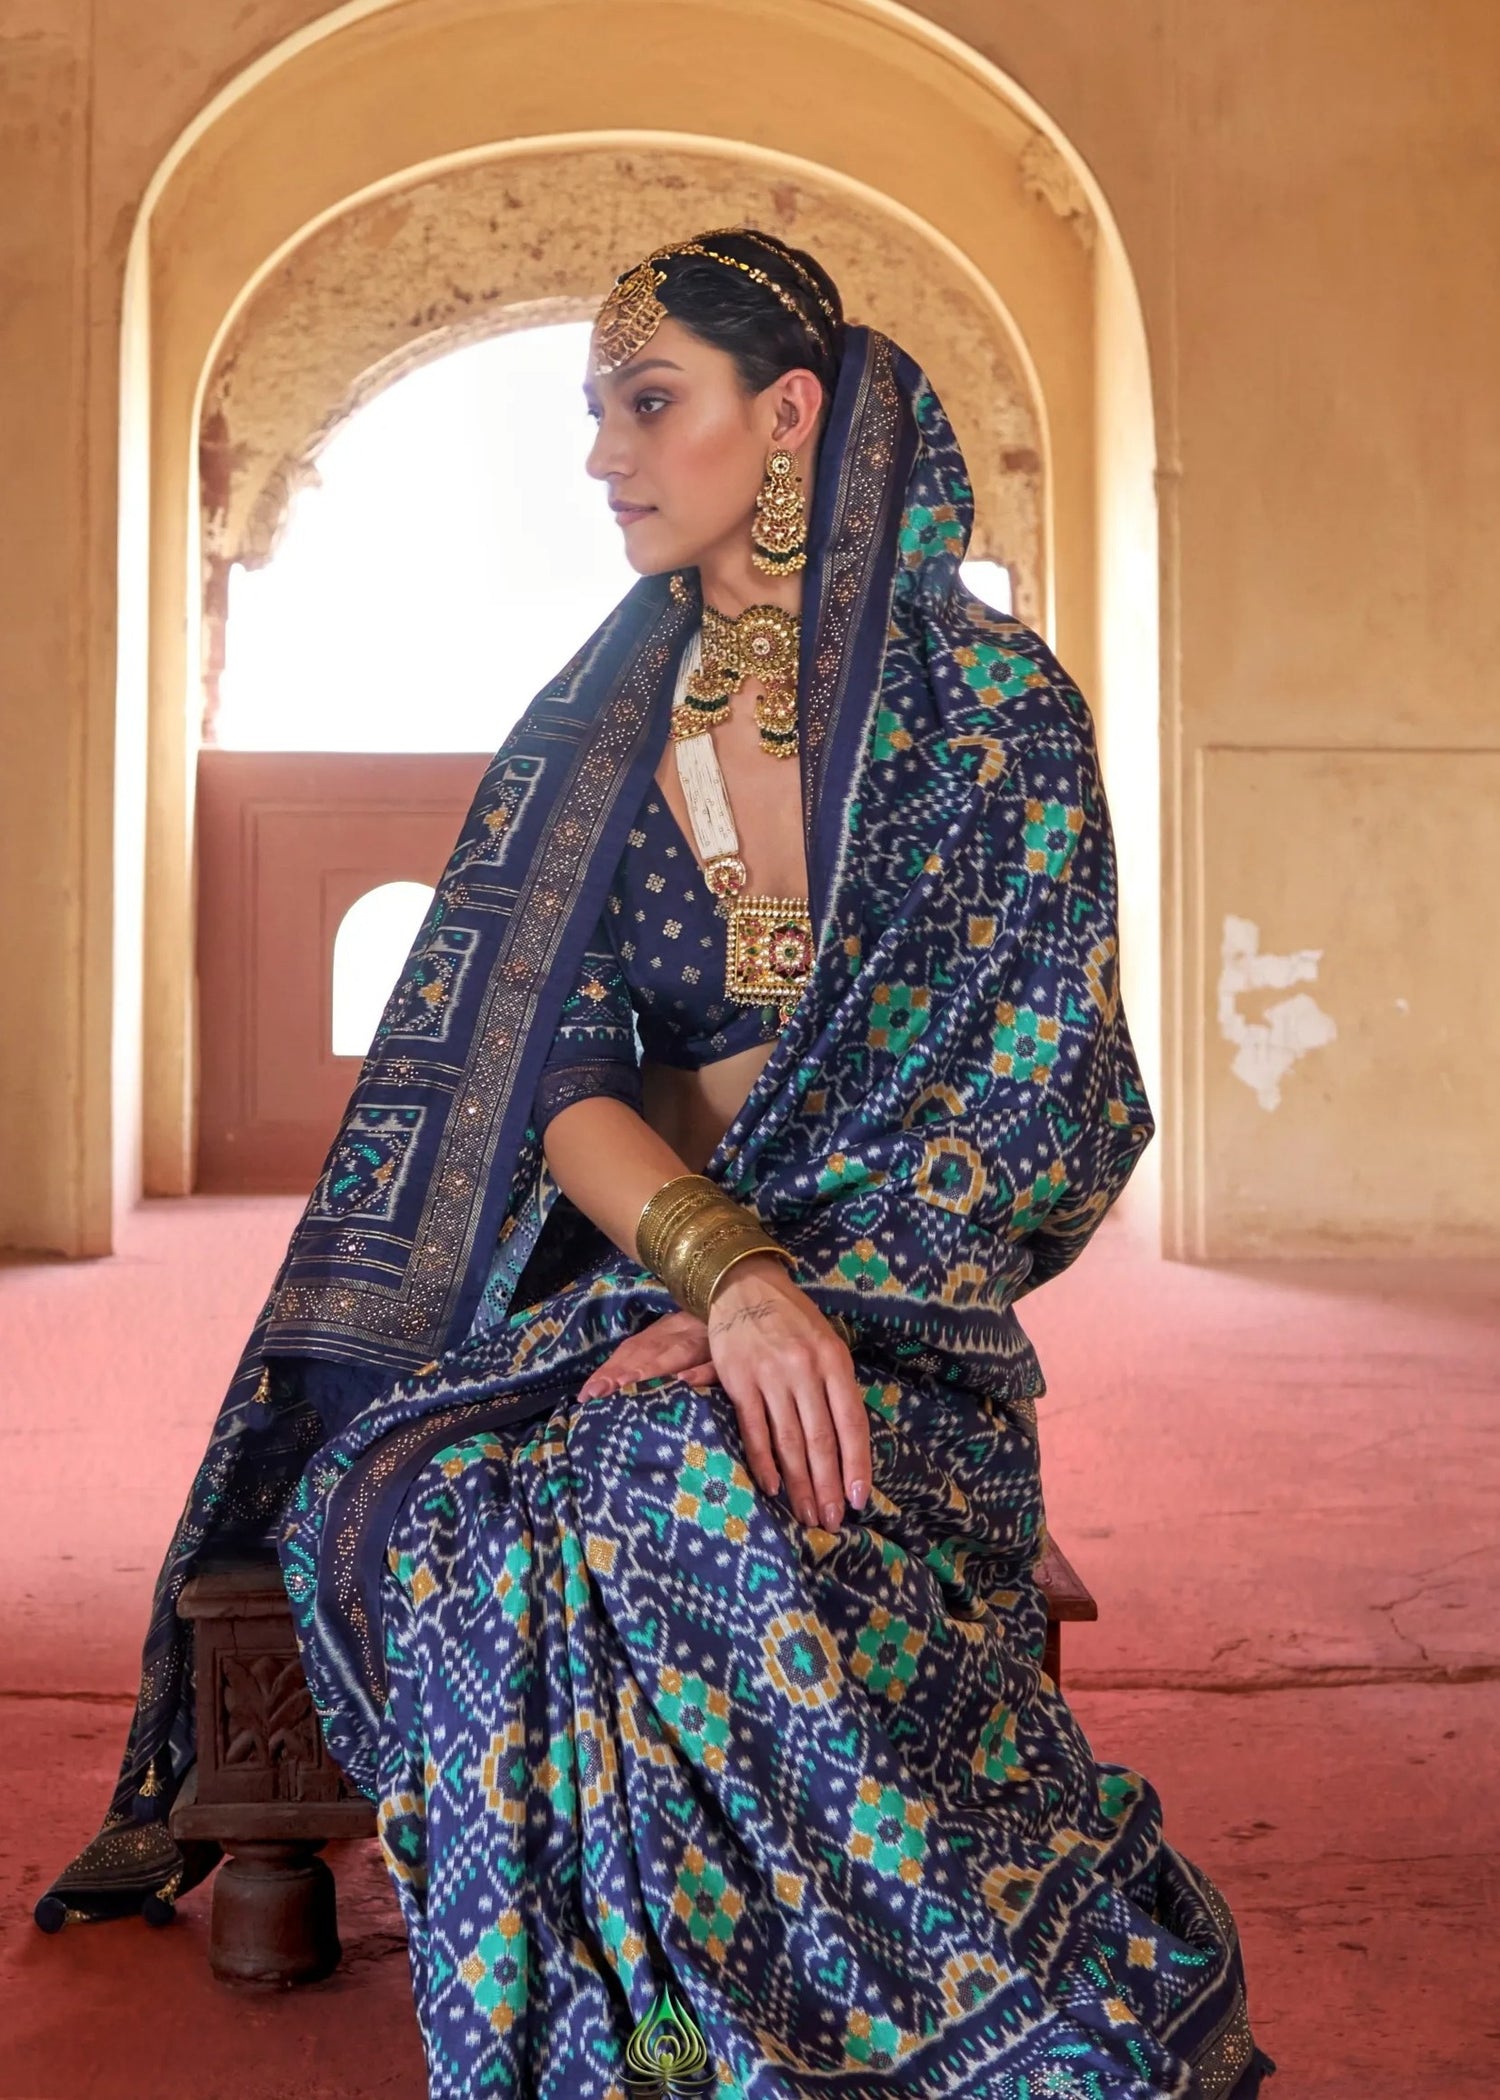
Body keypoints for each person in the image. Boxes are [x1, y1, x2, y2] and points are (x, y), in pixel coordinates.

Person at [38, 226, 1274, 2100]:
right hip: (649, 1297)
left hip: (900, 1338)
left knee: (661, 1474)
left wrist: (801, 1303)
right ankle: (647, 2039)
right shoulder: (602, 739)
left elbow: (1049, 1099)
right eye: (592, 413)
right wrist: (725, 1280)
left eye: (646, 403)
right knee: (453, 1498)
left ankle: (914, 2028)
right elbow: (559, 1076)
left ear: (786, 417)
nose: (603, 457)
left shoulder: (992, 713)